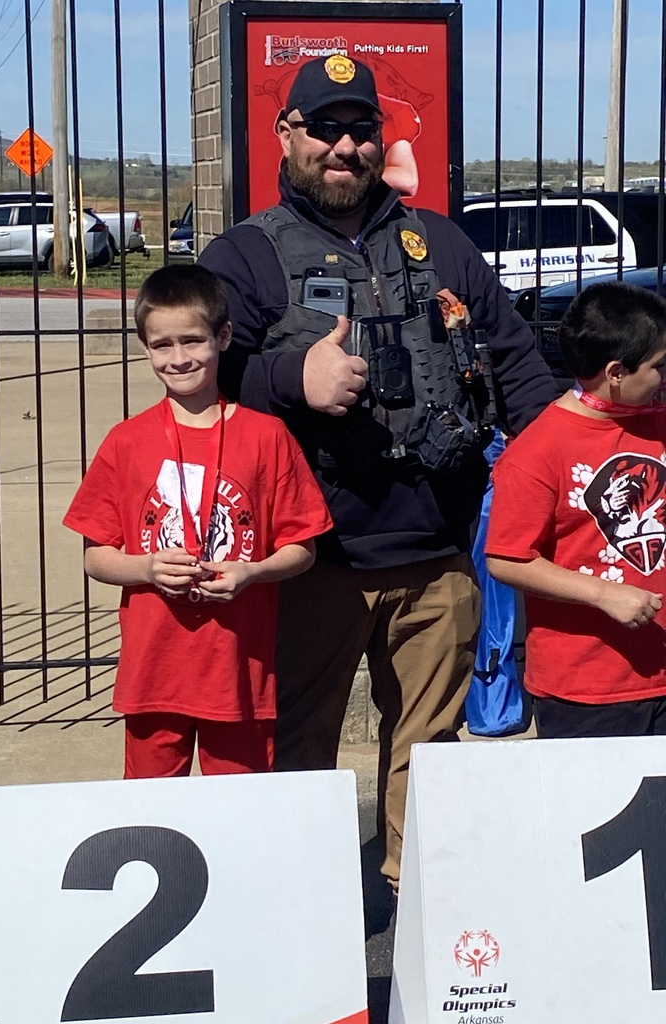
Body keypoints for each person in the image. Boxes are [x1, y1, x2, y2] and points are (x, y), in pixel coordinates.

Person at [198, 54, 559, 889]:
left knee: (429, 755)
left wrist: (567, 477)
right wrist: (294, 379)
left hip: (435, 553)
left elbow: (516, 368)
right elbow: (202, 377)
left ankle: (415, 899)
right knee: (297, 746)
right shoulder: (246, 255)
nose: (345, 146)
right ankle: (302, 905)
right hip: (308, 560)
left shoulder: (439, 242)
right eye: (324, 127)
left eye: (361, 129)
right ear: (288, 134)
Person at [63, 264, 333, 778]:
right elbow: (96, 556)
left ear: (223, 336)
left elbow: (303, 547)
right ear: (145, 348)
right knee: (151, 816)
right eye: (162, 345)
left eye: (193, 340)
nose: (179, 358)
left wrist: (252, 572)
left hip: (238, 675)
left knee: (241, 816)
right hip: (153, 674)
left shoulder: (266, 437)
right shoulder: (126, 442)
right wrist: (146, 569)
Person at [486, 282, 666, 739]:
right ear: (616, 372)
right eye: (658, 367)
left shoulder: (655, 419)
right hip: (588, 689)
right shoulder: (537, 452)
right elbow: (507, 558)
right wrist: (604, 594)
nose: (665, 379)